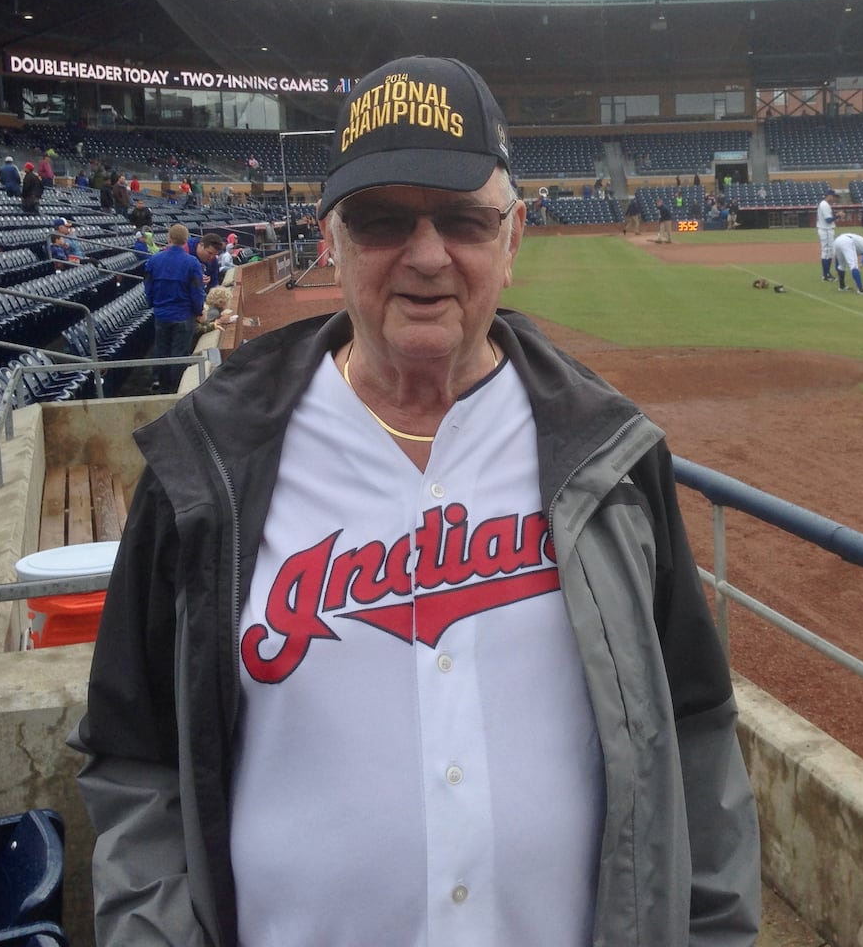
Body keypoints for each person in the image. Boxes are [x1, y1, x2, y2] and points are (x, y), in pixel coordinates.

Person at [71, 55, 760, 947]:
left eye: (464, 221)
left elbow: (697, 736)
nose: (427, 255)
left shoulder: (611, 458)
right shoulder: (208, 465)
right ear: (331, 243)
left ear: (512, 241)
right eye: (383, 220)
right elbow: (136, 759)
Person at [141, 221, 206, 392]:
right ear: (186, 241)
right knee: (180, 354)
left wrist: (153, 305)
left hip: (162, 314)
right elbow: (197, 291)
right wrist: (199, 311)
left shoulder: (154, 260)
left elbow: (148, 286)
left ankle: (162, 387)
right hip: (184, 315)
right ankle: (177, 389)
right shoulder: (192, 262)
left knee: (162, 351)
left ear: (169, 238)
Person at [815, 187, 838, 281]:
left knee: (827, 253)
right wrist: (838, 216)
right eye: (833, 196)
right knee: (827, 253)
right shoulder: (825, 205)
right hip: (826, 230)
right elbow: (828, 220)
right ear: (829, 196)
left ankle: (826, 274)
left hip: (825, 230)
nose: (834, 198)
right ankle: (826, 275)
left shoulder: (824, 204)